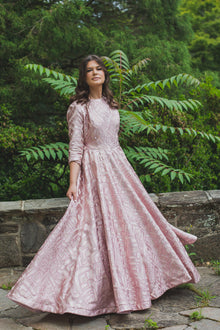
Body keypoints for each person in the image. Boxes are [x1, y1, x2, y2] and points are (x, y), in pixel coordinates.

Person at [7, 55, 200, 316]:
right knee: (89, 229)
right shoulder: (79, 107)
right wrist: (73, 182)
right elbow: (76, 146)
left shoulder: (111, 103)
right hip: (95, 170)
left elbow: (114, 141)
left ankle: (143, 282)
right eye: (89, 70)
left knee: (135, 221)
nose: (95, 73)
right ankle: (74, 294)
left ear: (105, 74)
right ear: (83, 77)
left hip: (118, 168)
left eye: (99, 69)